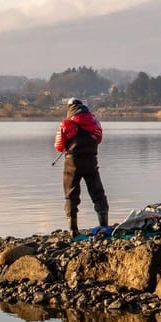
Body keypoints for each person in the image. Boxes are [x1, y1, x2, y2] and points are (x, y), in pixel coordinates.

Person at [54, 98, 109, 237]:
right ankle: (104, 226)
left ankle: (73, 230)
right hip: (91, 161)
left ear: (69, 108)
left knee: (71, 196)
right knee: (98, 194)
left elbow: (59, 146)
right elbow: (99, 140)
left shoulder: (66, 124)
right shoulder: (95, 122)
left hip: (72, 163)